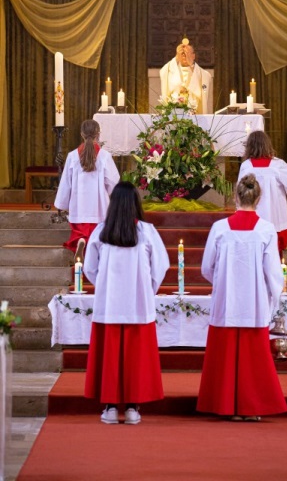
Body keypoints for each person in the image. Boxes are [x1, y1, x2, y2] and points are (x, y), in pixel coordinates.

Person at [197, 174, 287, 421]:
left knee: (225, 355)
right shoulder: (266, 230)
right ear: (258, 199)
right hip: (254, 302)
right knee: (254, 357)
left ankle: (226, 405)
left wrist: (224, 282)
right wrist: (275, 294)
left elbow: (207, 267)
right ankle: (252, 408)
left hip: (226, 301)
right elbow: (273, 272)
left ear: (236, 197)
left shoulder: (220, 229)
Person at [83, 181, 170, 425]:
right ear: (135, 204)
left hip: (109, 306)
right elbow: (161, 267)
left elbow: (90, 269)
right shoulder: (147, 232)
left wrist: (105, 286)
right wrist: (146, 290)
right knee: (135, 357)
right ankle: (133, 407)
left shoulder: (101, 232)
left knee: (110, 356)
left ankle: (110, 407)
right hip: (137, 306)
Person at [238, 130, 287, 256]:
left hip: (252, 219)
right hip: (275, 219)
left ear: (249, 147)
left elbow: (240, 192)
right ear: (267, 144)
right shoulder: (277, 164)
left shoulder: (246, 166)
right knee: (275, 255)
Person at [54, 119, 120, 262]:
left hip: (79, 207)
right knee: (99, 235)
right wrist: (109, 194)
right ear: (98, 134)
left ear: (81, 134)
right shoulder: (104, 156)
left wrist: (62, 204)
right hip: (99, 207)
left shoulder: (72, 156)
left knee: (81, 233)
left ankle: (81, 243)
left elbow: (66, 182)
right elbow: (113, 181)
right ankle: (96, 259)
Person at [159, 39, 211, 113]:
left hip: (194, 111)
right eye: (182, 53)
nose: (185, 55)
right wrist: (177, 57)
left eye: (188, 53)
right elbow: (162, 72)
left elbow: (207, 78)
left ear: (194, 56)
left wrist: (192, 66)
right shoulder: (171, 69)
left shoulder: (200, 73)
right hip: (174, 111)